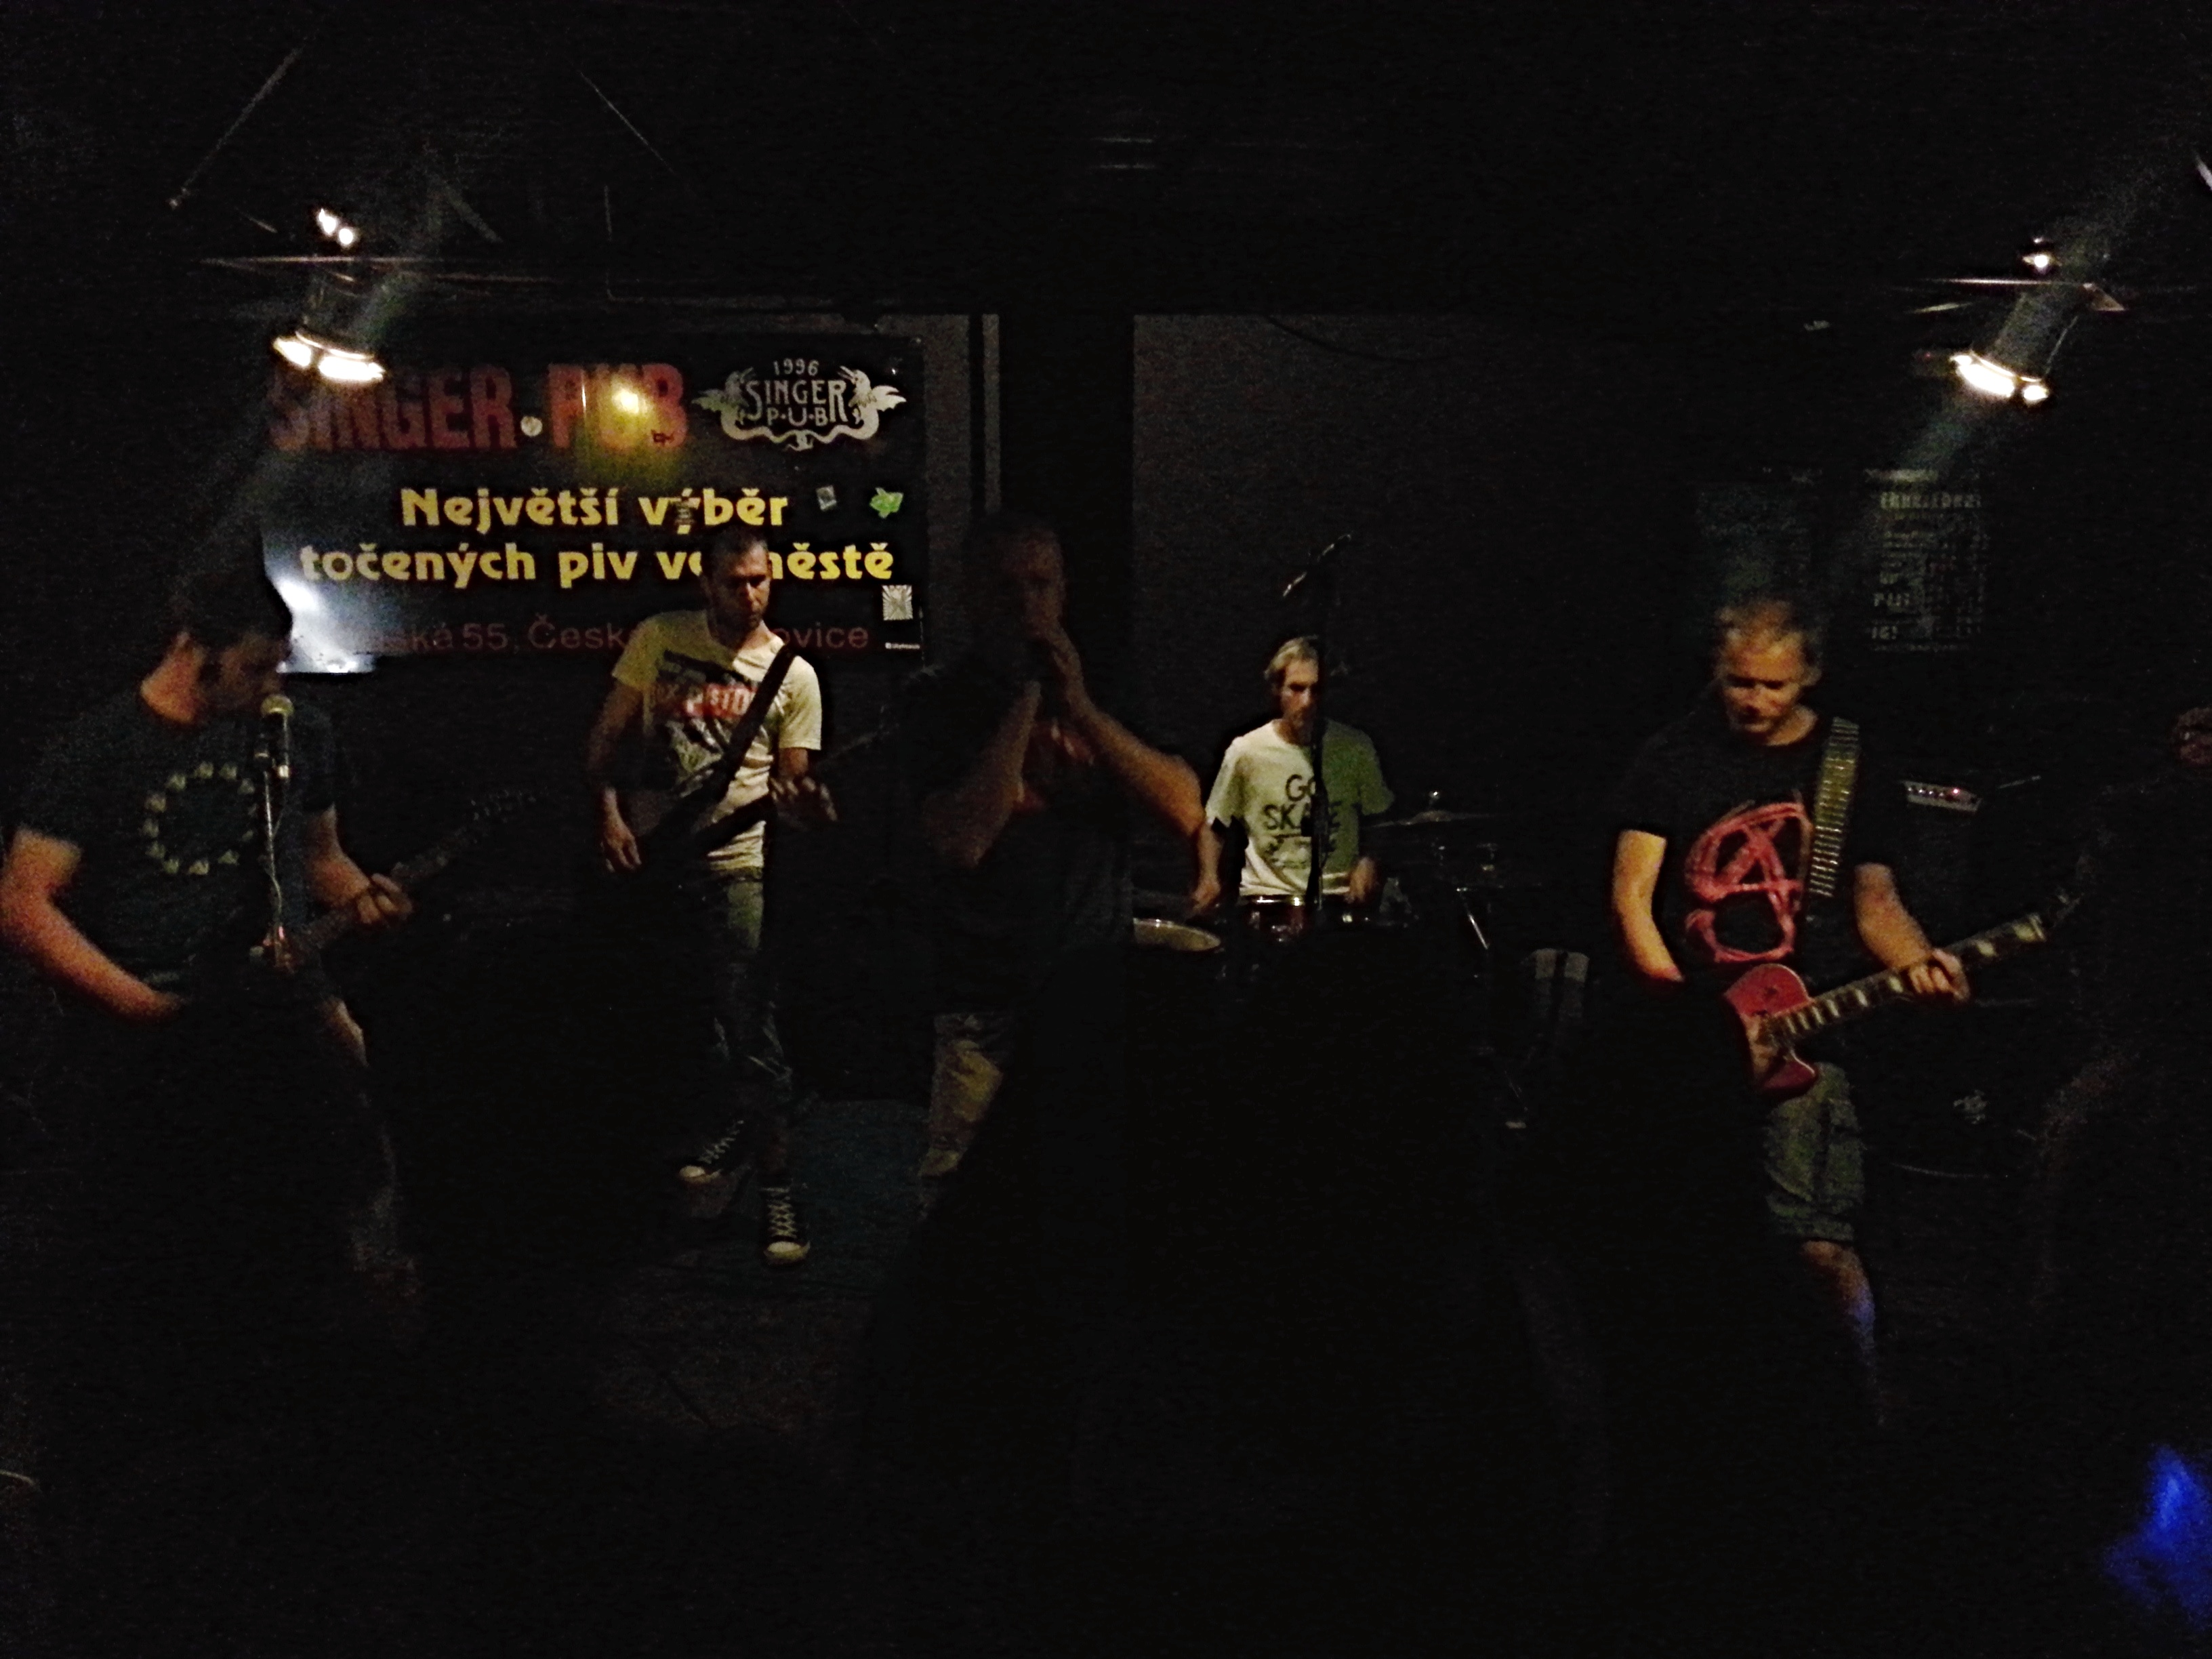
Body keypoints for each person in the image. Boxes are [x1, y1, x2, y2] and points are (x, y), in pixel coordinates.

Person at [0, 562, 417, 1622]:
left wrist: (365, 899)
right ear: (197, 645)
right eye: (257, 669)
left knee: (361, 1130)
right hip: (148, 1012)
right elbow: (26, 904)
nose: (273, 689)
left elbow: (321, 860)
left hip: (276, 1004)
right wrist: (139, 1006)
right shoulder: (98, 748)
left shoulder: (293, 738)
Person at [1605, 594, 1967, 1406]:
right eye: (1739, 683)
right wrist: (1691, 1025)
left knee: (1814, 1242)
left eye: (1774, 686)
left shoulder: (1850, 763)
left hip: (1809, 1036)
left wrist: (1921, 968)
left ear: (1811, 676)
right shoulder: (1672, 757)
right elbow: (1632, 900)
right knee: (1681, 1235)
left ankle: (1861, 1406)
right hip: (1695, 1036)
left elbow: (1876, 902)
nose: (1755, 701)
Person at [903, 512, 1204, 1208]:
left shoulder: (1108, 689)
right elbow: (963, 839)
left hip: (1092, 994)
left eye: (1041, 586)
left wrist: (1082, 709)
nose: (1026, 605)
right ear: (972, 595)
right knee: (967, 1206)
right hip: (985, 1007)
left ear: (1064, 592)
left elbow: (1184, 808)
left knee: (1093, 1194)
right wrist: (1028, 698)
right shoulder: (938, 700)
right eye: (1006, 588)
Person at [586, 524, 830, 1267]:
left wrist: (805, 806)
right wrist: (610, 817)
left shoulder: (793, 674)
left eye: (761, 580)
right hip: (656, 861)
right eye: (736, 582)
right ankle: (724, 1136)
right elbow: (606, 741)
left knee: (753, 1029)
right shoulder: (661, 637)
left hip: (737, 866)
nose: (752, 595)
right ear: (707, 584)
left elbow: (793, 780)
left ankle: (778, 1188)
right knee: (686, 1025)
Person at [1191, 635, 1393, 919]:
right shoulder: (1247, 751)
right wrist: (1209, 877)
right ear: (1277, 690)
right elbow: (1214, 826)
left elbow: (1379, 818)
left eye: (1317, 690)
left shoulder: (1356, 748)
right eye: (1296, 689)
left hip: (1337, 897)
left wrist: (1368, 862)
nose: (1307, 701)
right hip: (1268, 898)